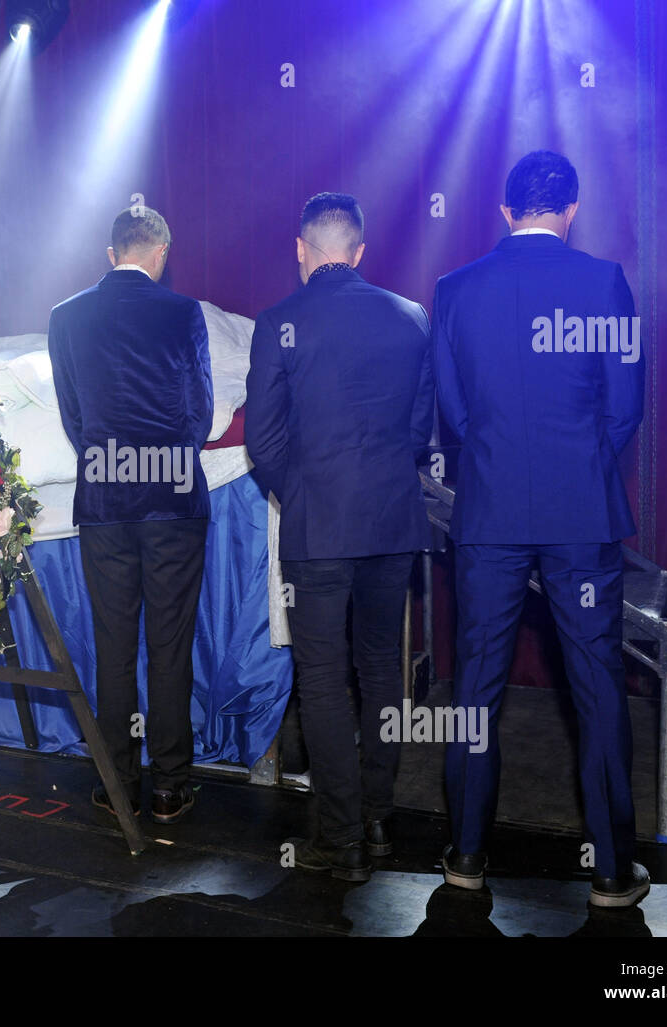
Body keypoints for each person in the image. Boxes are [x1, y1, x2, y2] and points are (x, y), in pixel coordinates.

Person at [432, 150, 648, 906]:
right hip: (581, 515)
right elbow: (625, 410)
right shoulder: (604, 284)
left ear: (503, 210)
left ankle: (464, 854)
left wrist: (500, 462)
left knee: (476, 688)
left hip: (488, 514)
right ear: (573, 208)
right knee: (594, 686)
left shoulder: (454, 290)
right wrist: (576, 469)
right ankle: (614, 871)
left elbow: (453, 416)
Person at [246, 192, 433, 881]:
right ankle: (380, 820)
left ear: (301, 249)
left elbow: (262, 440)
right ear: (359, 250)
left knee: (322, 680)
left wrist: (302, 495)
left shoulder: (279, 321)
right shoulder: (411, 315)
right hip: (391, 524)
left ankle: (342, 840)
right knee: (382, 669)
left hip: (317, 528)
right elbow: (420, 433)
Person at [48, 206, 213, 824]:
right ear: (161, 252)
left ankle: (115, 780)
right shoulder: (181, 311)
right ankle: (170, 786)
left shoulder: (65, 317)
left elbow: (72, 414)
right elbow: (199, 409)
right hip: (171, 497)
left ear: (111, 251)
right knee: (170, 646)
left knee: (111, 645)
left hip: (104, 497)